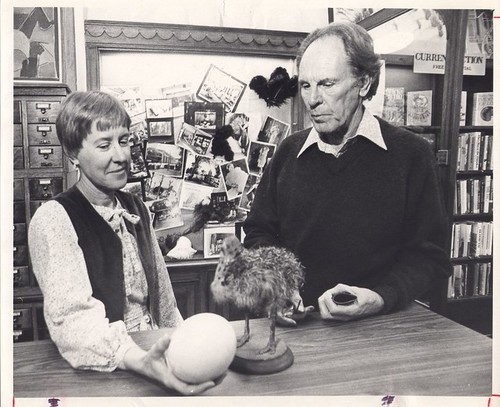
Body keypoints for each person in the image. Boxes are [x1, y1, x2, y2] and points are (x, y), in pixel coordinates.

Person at [243, 22, 452, 323]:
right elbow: (258, 233)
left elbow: (430, 257)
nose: (313, 99)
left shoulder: (411, 155)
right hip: (296, 328)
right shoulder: (287, 152)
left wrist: (380, 297)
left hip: (380, 331)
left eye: (327, 84)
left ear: (363, 84)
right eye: (305, 85)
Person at [28, 91, 219, 395]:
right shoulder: (54, 218)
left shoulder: (136, 206)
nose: (121, 155)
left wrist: (183, 350)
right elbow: (74, 321)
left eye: (125, 140)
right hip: (106, 367)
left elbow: (164, 299)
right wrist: (139, 360)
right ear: (72, 154)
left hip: (153, 352)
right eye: (104, 145)